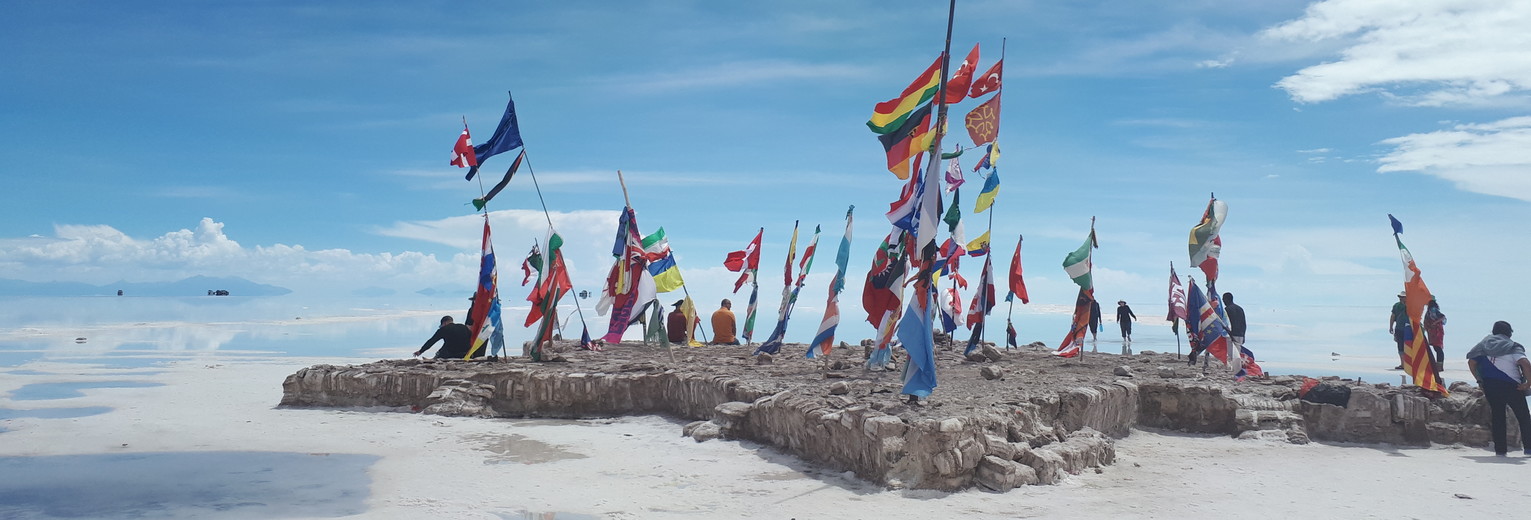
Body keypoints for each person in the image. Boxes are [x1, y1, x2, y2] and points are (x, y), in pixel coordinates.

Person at [1465, 321, 1531, 456]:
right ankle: (1529, 449)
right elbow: (1525, 363)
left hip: (1490, 386)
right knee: (1523, 417)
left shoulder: (1483, 345)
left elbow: (1471, 362)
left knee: (1498, 416)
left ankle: (1500, 450)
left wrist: (1479, 380)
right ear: (1509, 333)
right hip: (1512, 386)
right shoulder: (1512, 346)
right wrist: (1528, 383)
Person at [1388, 291, 1410, 370]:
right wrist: (1391, 327)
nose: (1401, 298)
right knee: (1400, 346)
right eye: (1400, 297)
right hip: (1399, 328)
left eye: (1403, 297)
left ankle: (1408, 364)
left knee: (1409, 346)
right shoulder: (1396, 306)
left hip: (1409, 328)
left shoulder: (1410, 306)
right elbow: (1393, 316)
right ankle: (1403, 364)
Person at [1424, 297, 1447, 374]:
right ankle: (1439, 365)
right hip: (1434, 331)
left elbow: (1442, 317)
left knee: (1437, 347)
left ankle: (1439, 365)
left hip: (1436, 331)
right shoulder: (1431, 310)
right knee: (1437, 347)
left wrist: (1434, 323)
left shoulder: (1433, 309)